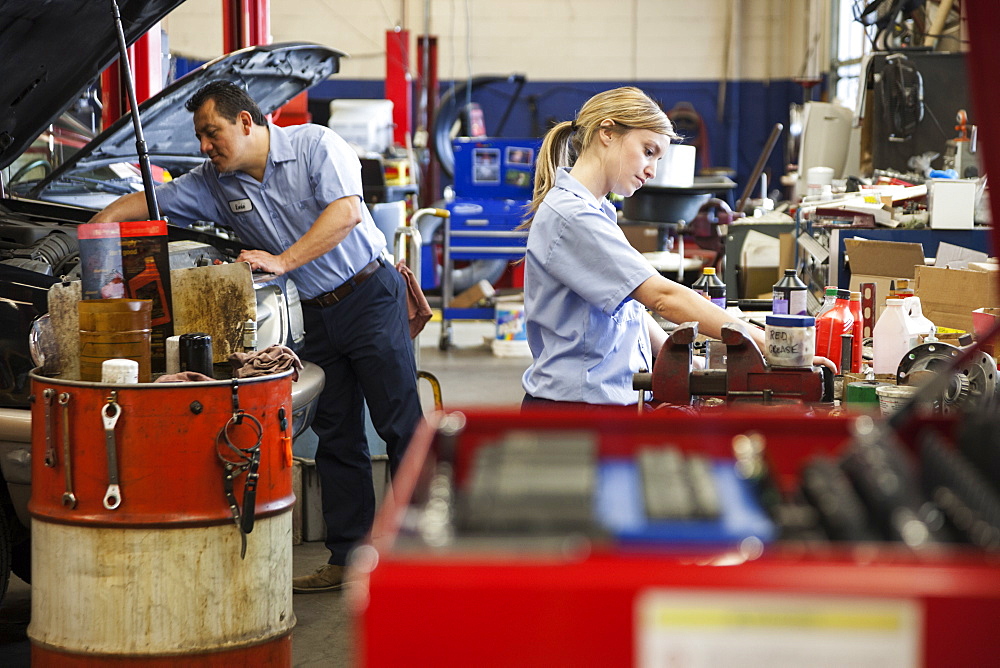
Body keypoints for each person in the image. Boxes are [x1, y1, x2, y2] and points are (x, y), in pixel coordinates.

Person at [90, 81, 422, 592]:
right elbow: (155, 201)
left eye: (211, 132)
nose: (205, 145)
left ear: (246, 122)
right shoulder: (214, 183)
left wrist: (282, 261)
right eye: (200, 136)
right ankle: (348, 557)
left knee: (400, 425)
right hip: (319, 313)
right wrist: (105, 222)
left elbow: (347, 212)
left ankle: (418, 557)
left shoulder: (317, 145)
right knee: (337, 436)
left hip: (368, 294)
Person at [520, 87, 830, 408]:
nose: (652, 170)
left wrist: (680, 359)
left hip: (595, 406)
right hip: (573, 413)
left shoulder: (596, 211)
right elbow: (663, 297)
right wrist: (772, 344)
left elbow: (632, 307)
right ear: (607, 132)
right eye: (648, 151)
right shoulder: (574, 215)